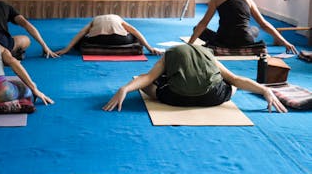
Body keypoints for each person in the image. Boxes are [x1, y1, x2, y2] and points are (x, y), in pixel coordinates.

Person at [103, 44, 287, 113]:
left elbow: (148, 77)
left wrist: (125, 89)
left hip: (175, 100)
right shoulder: (209, 54)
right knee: (230, 82)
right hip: (213, 98)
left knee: (147, 85)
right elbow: (235, 78)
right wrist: (264, 90)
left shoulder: (170, 53)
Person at [188, 0, 298, 54]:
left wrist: (190, 44)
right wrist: (285, 42)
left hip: (224, 41)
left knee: (197, 29)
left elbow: (204, 23)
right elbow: (264, 24)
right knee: (254, 29)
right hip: (246, 41)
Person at [54, 14, 162, 57]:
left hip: (98, 39)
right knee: (134, 37)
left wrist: (67, 49)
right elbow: (134, 31)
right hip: (119, 39)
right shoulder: (117, 18)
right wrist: (149, 47)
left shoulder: (95, 19)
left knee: (82, 40)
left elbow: (81, 33)